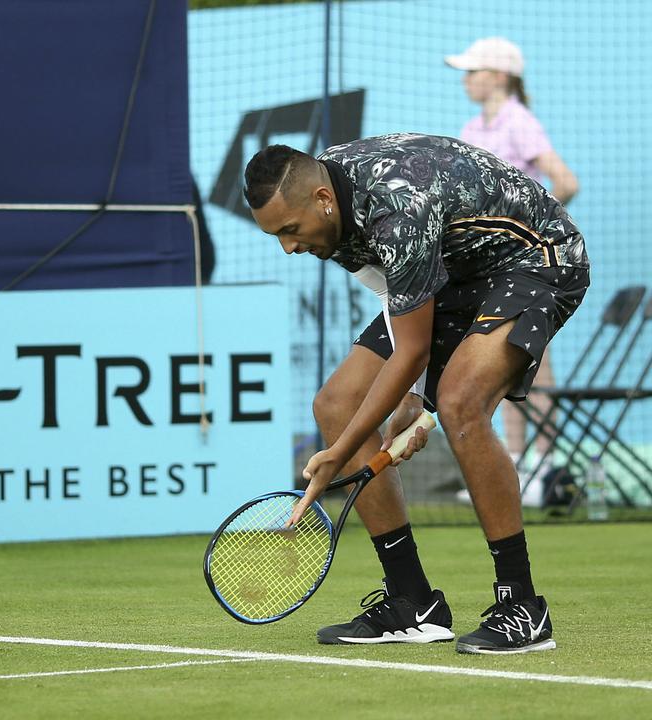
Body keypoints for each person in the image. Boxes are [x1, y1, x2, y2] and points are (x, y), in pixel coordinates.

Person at [243, 133, 588, 653]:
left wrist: (339, 454)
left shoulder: (395, 205)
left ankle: (522, 605)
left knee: (460, 403)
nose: (288, 247)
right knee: (336, 405)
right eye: (276, 236)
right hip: (451, 273)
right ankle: (412, 602)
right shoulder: (332, 213)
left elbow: (412, 354)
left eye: (290, 231)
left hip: (535, 256)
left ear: (321, 201)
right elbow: (396, 300)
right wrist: (407, 401)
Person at [445, 37, 580, 499]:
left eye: (473, 72)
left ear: (499, 77)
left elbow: (564, 181)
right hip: (490, 268)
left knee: (535, 363)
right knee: (504, 358)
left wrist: (530, 227)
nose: (466, 80)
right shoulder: (472, 126)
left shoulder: (519, 122)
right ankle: (517, 463)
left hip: (530, 265)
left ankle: (544, 460)